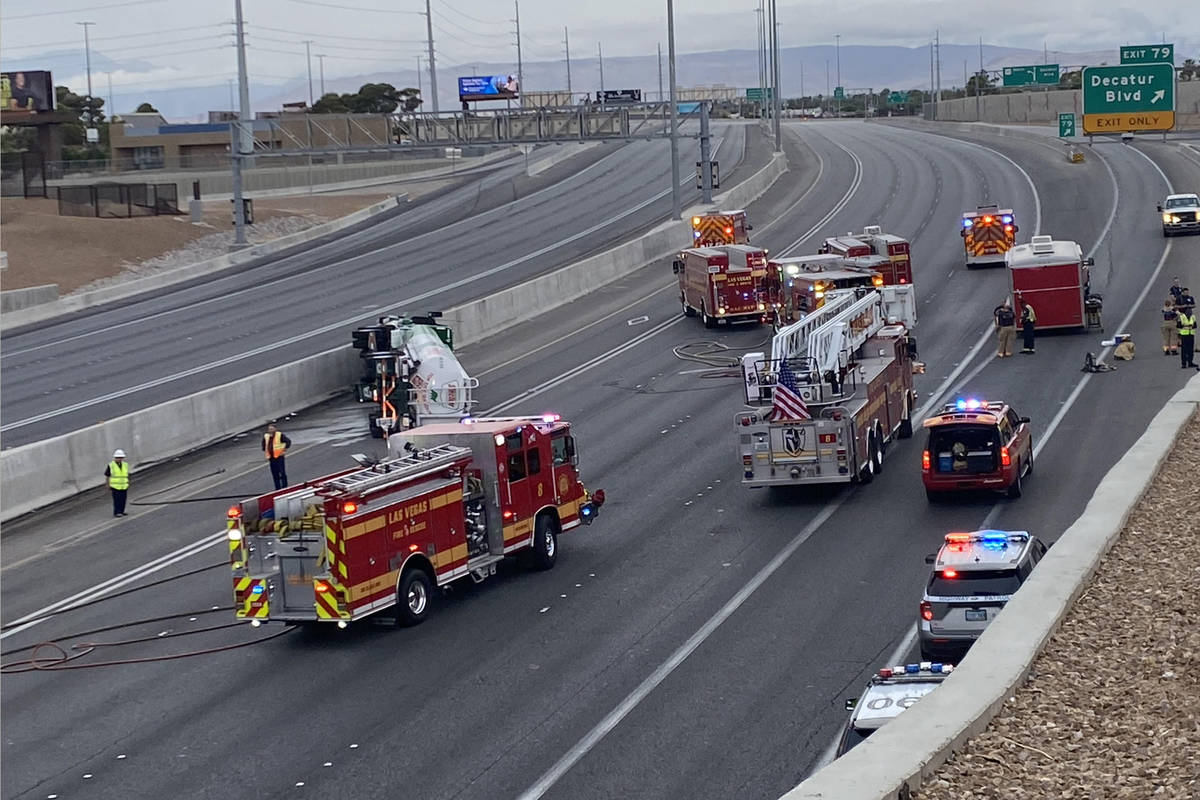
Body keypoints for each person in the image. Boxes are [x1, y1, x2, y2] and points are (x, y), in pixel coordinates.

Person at [262, 423, 292, 490]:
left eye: (272, 429)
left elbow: (288, 442)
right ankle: (277, 488)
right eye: (269, 429)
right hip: (271, 458)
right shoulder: (266, 436)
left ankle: (284, 487)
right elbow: (264, 445)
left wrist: (284, 450)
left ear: (275, 429)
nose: (270, 430)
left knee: (282, 472)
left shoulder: (279, 435)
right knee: (275, 474)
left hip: (279, 457)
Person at [105, 449, 130, 517]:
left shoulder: (125, 465)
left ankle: (122, 511)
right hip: (115, 486)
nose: (119, 459)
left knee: (123, 499)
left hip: (124, 485)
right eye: (118, 458)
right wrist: (108, 484)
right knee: (117, 500)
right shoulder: (111, 465)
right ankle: (117, 512)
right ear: (115, 458)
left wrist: (128, 482)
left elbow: (126, 475)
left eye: (121, 458)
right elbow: (107, 476)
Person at [1177, 302, 1197, 370]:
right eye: (1188, 311)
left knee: (1190, 350)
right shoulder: (1182, 317)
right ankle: (1184, 363)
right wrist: (1186, 326)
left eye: (1190, 311)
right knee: (1184, 350)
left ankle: (1190, 362)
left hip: (1191, 334)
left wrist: (1192, 326)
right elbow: (1178, 325)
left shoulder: (1193, 317)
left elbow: (1195, 325)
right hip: (1184, 335)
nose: (1190, 312)